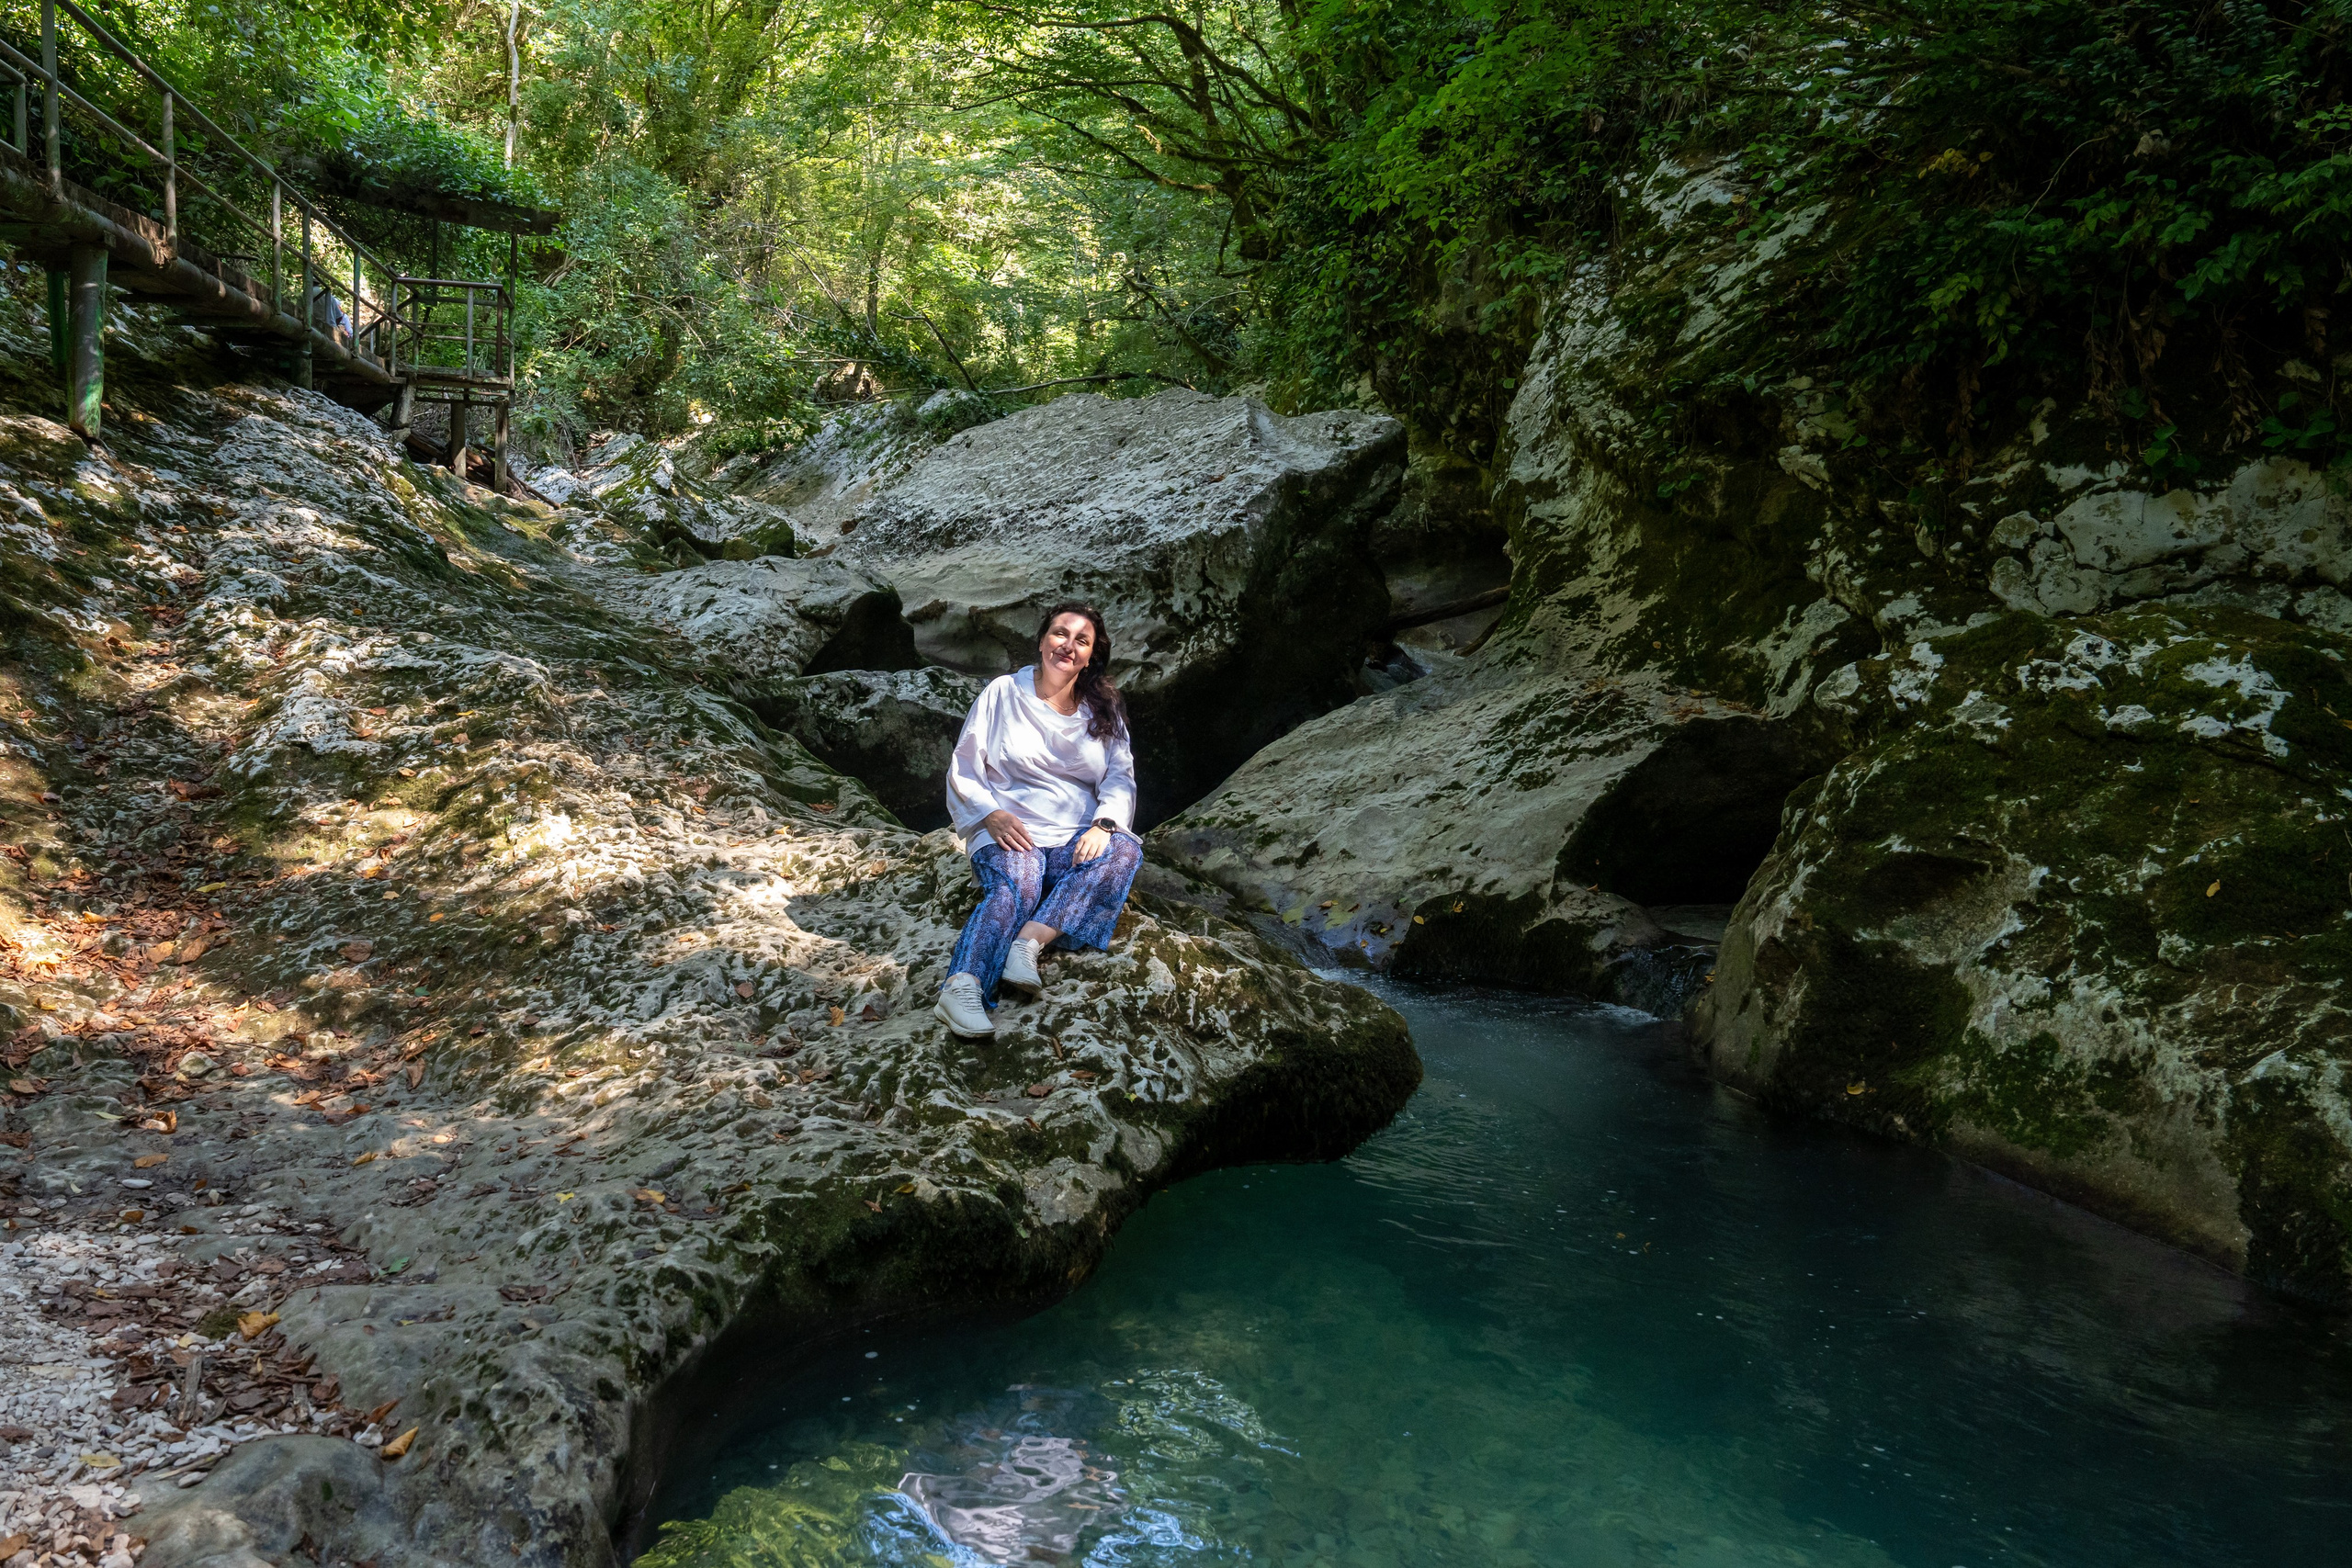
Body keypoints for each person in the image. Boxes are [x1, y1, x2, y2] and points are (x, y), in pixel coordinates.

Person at [936, 603, 1142, 1039]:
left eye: (1081, 641)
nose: (1068, 646)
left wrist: (1104, 825)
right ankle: (963, 985)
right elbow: (966, 765)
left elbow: (1120, 778)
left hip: (1074, 836)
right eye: (1060, 634)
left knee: (1124, 849)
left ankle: (1026, 944)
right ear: (1043, 640)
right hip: (1013, 831)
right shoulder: (1002, 693)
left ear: (1090, 656)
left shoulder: (1103, 710)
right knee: (1021, 882)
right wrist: (989, 815)